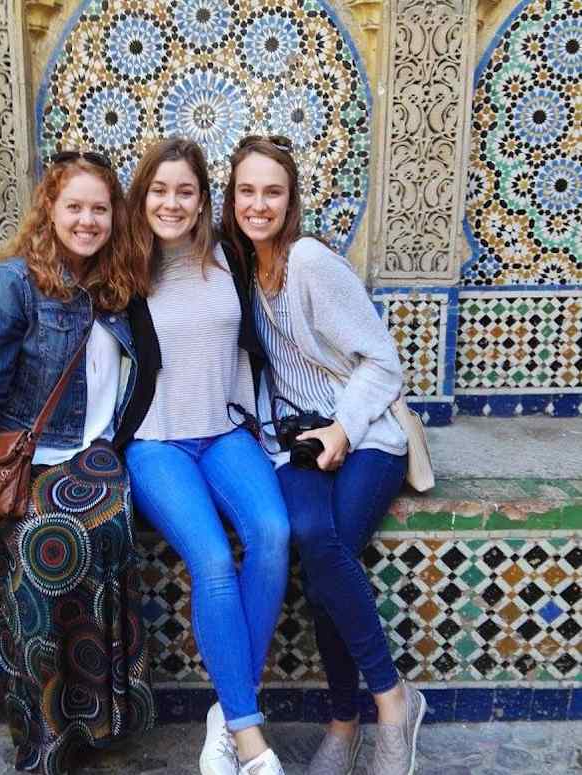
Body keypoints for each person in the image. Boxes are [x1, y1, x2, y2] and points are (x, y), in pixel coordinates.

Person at [0, 151, 154, 775]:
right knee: (41, 544)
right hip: (31, 458)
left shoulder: (121, 285)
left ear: (115, 215)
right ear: (50, 210)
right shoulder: (15, 282)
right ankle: (45, 735)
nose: (87, 220)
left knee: (91, 525)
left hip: (96, 456)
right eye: (74, 207)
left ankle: (92, 717)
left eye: (99, 208)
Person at [221, 135, 426, 775]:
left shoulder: (308, 261)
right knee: (310, 533)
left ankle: (378, 706)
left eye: (272, 192)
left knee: (327, 541)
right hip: (297, 440)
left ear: (291, 200)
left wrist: (342, 427)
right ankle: (358, 713)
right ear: (231, 199)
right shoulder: (239, 268)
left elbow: (383, 362)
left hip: (366, 433)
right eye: (247, 191)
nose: (259, 204)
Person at [113, 137, 290, 775]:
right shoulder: (123, 268)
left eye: (184, 190)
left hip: (222, 432)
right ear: (142, 196)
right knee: (213, 558)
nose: (171, 202)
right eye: (159, 190)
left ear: (202, 198)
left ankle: (227, 708)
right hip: (157, 442)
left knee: (272, 532)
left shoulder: (229, 255)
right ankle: (249, 737)